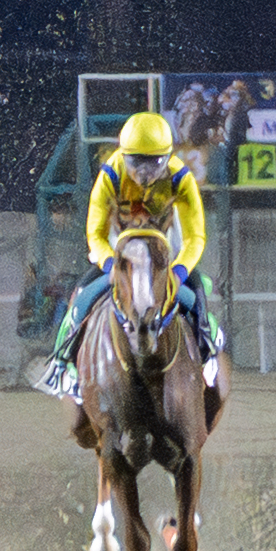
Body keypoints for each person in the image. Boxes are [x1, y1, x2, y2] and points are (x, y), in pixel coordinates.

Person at [35, 108, 226, 399]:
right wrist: (110, 262)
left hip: (165, 252)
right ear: (123, 156)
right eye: (136, 162)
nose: (144, 173)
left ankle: (207, 350)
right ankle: (62, 362)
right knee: (83, 295)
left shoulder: (180, 178)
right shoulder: (111, 174)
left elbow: (195, 237)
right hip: (120, 250)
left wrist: (179, 270)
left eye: (154, 163)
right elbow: (95, 234)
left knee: (196, 294)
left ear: (167, 158)